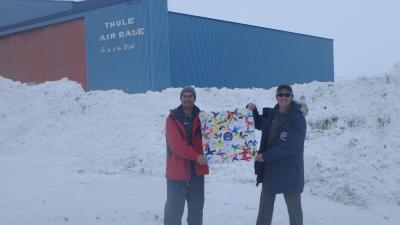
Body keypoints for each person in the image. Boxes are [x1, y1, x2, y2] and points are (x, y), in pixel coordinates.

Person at [247, 84, 307, 225]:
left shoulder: (298, 119)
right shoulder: (273, 114)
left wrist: (265, 156)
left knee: (294, 210)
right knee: (265, 207)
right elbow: (259, 123)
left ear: (292, 97)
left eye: (287, 94)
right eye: (280, 94)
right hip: (271, 170)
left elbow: (291, 147)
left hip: (290, 171)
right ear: (276, 97)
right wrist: (253, 110)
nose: (284, 97)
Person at [164, 86, 209, 225]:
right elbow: (176, 145)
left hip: (197, 172)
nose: (187, 98)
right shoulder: (172, 119)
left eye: (190, 96)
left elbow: (218, 134)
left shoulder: (204, 118)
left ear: (194, 99)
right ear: (180, 98)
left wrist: (246, 113)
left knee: (196, 211)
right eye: (185, 95)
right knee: (174, 211)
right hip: (177, 172)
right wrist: (196, 156)